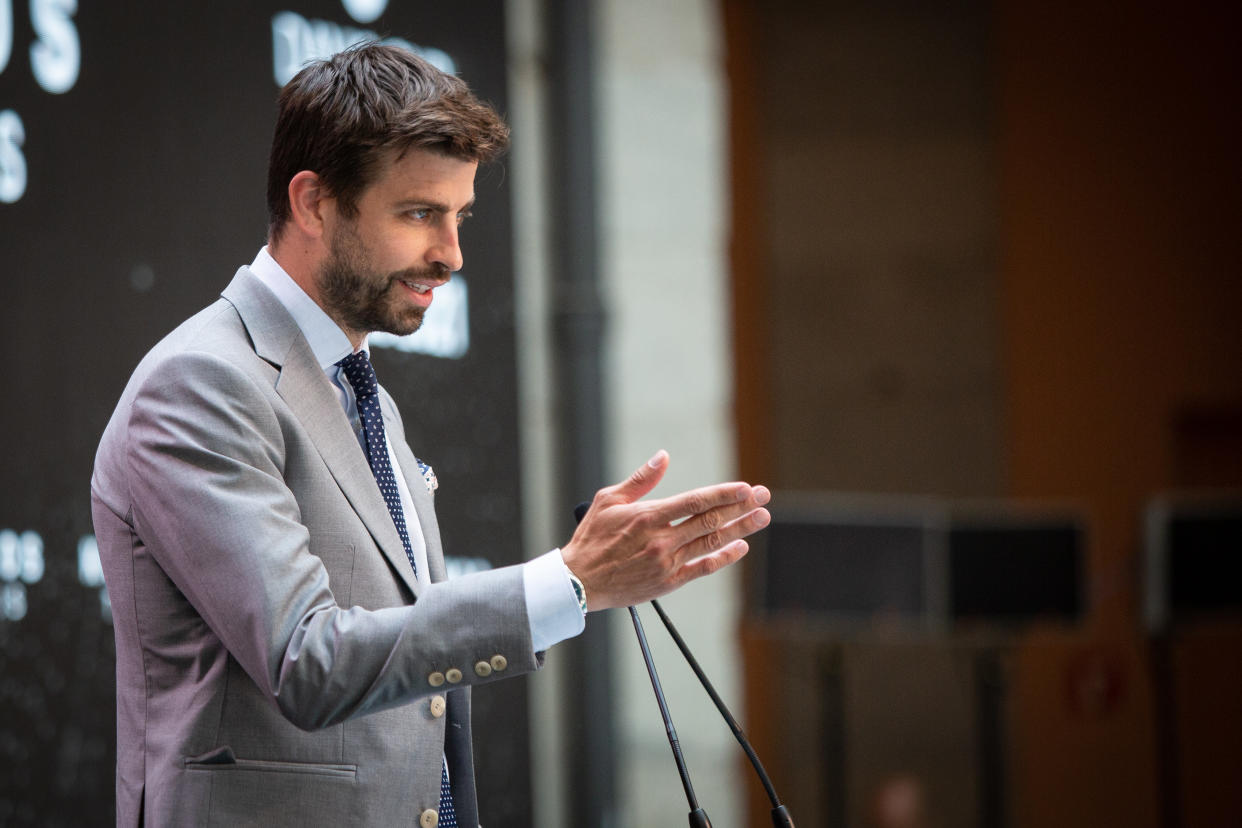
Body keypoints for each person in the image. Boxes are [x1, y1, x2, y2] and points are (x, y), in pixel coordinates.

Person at [90, 43, 770, 828]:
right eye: (419, 213)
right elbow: (308, 662)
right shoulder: (201, 382)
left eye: (459, 217)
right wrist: (569, 582)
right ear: (313, 203)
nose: (450, 254)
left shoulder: (362, 394)